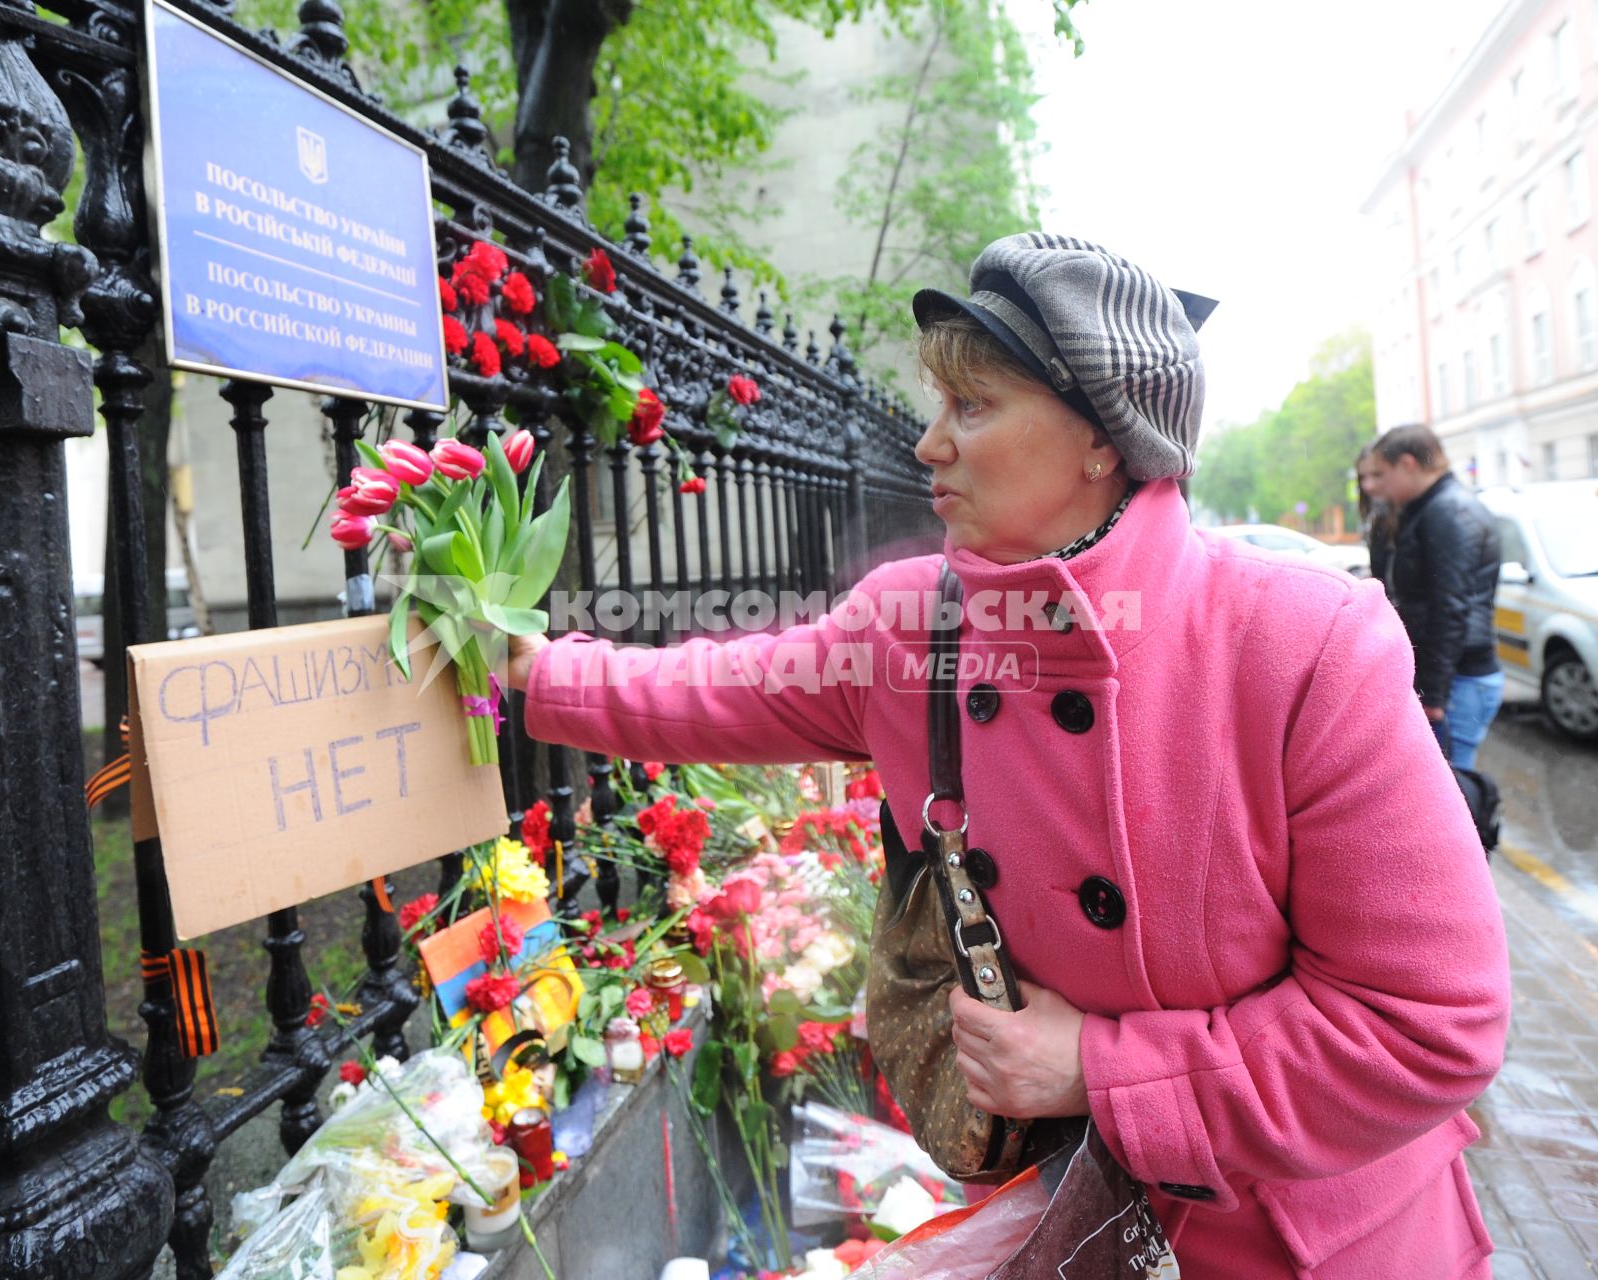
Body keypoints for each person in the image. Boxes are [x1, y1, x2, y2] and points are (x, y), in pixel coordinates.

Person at [512, 234, 1509, 1278]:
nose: (927, 445)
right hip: (1075, 1226)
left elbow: (1425, 1023)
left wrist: (1100, 1067)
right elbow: (701, 691)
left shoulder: (1300, 643)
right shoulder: (909, 629)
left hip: (1311, 1242)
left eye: (971, 406)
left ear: (1102, 439)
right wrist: (525, 670)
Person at [1371, 424, 1505, 770]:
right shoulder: (1431, 507)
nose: (1375, 486)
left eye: (1382, 474)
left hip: (1461, 678)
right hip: (1456, 675)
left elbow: (1450, 605)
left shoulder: (1447, 511)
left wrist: (1434, 693)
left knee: (1453, 792)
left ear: (1408, 464)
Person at [1356, 445, 1397, 581]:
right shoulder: (1377, 515)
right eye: (1362, 477)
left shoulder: (1412, 517)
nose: (1368, 485)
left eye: (1377, 475)